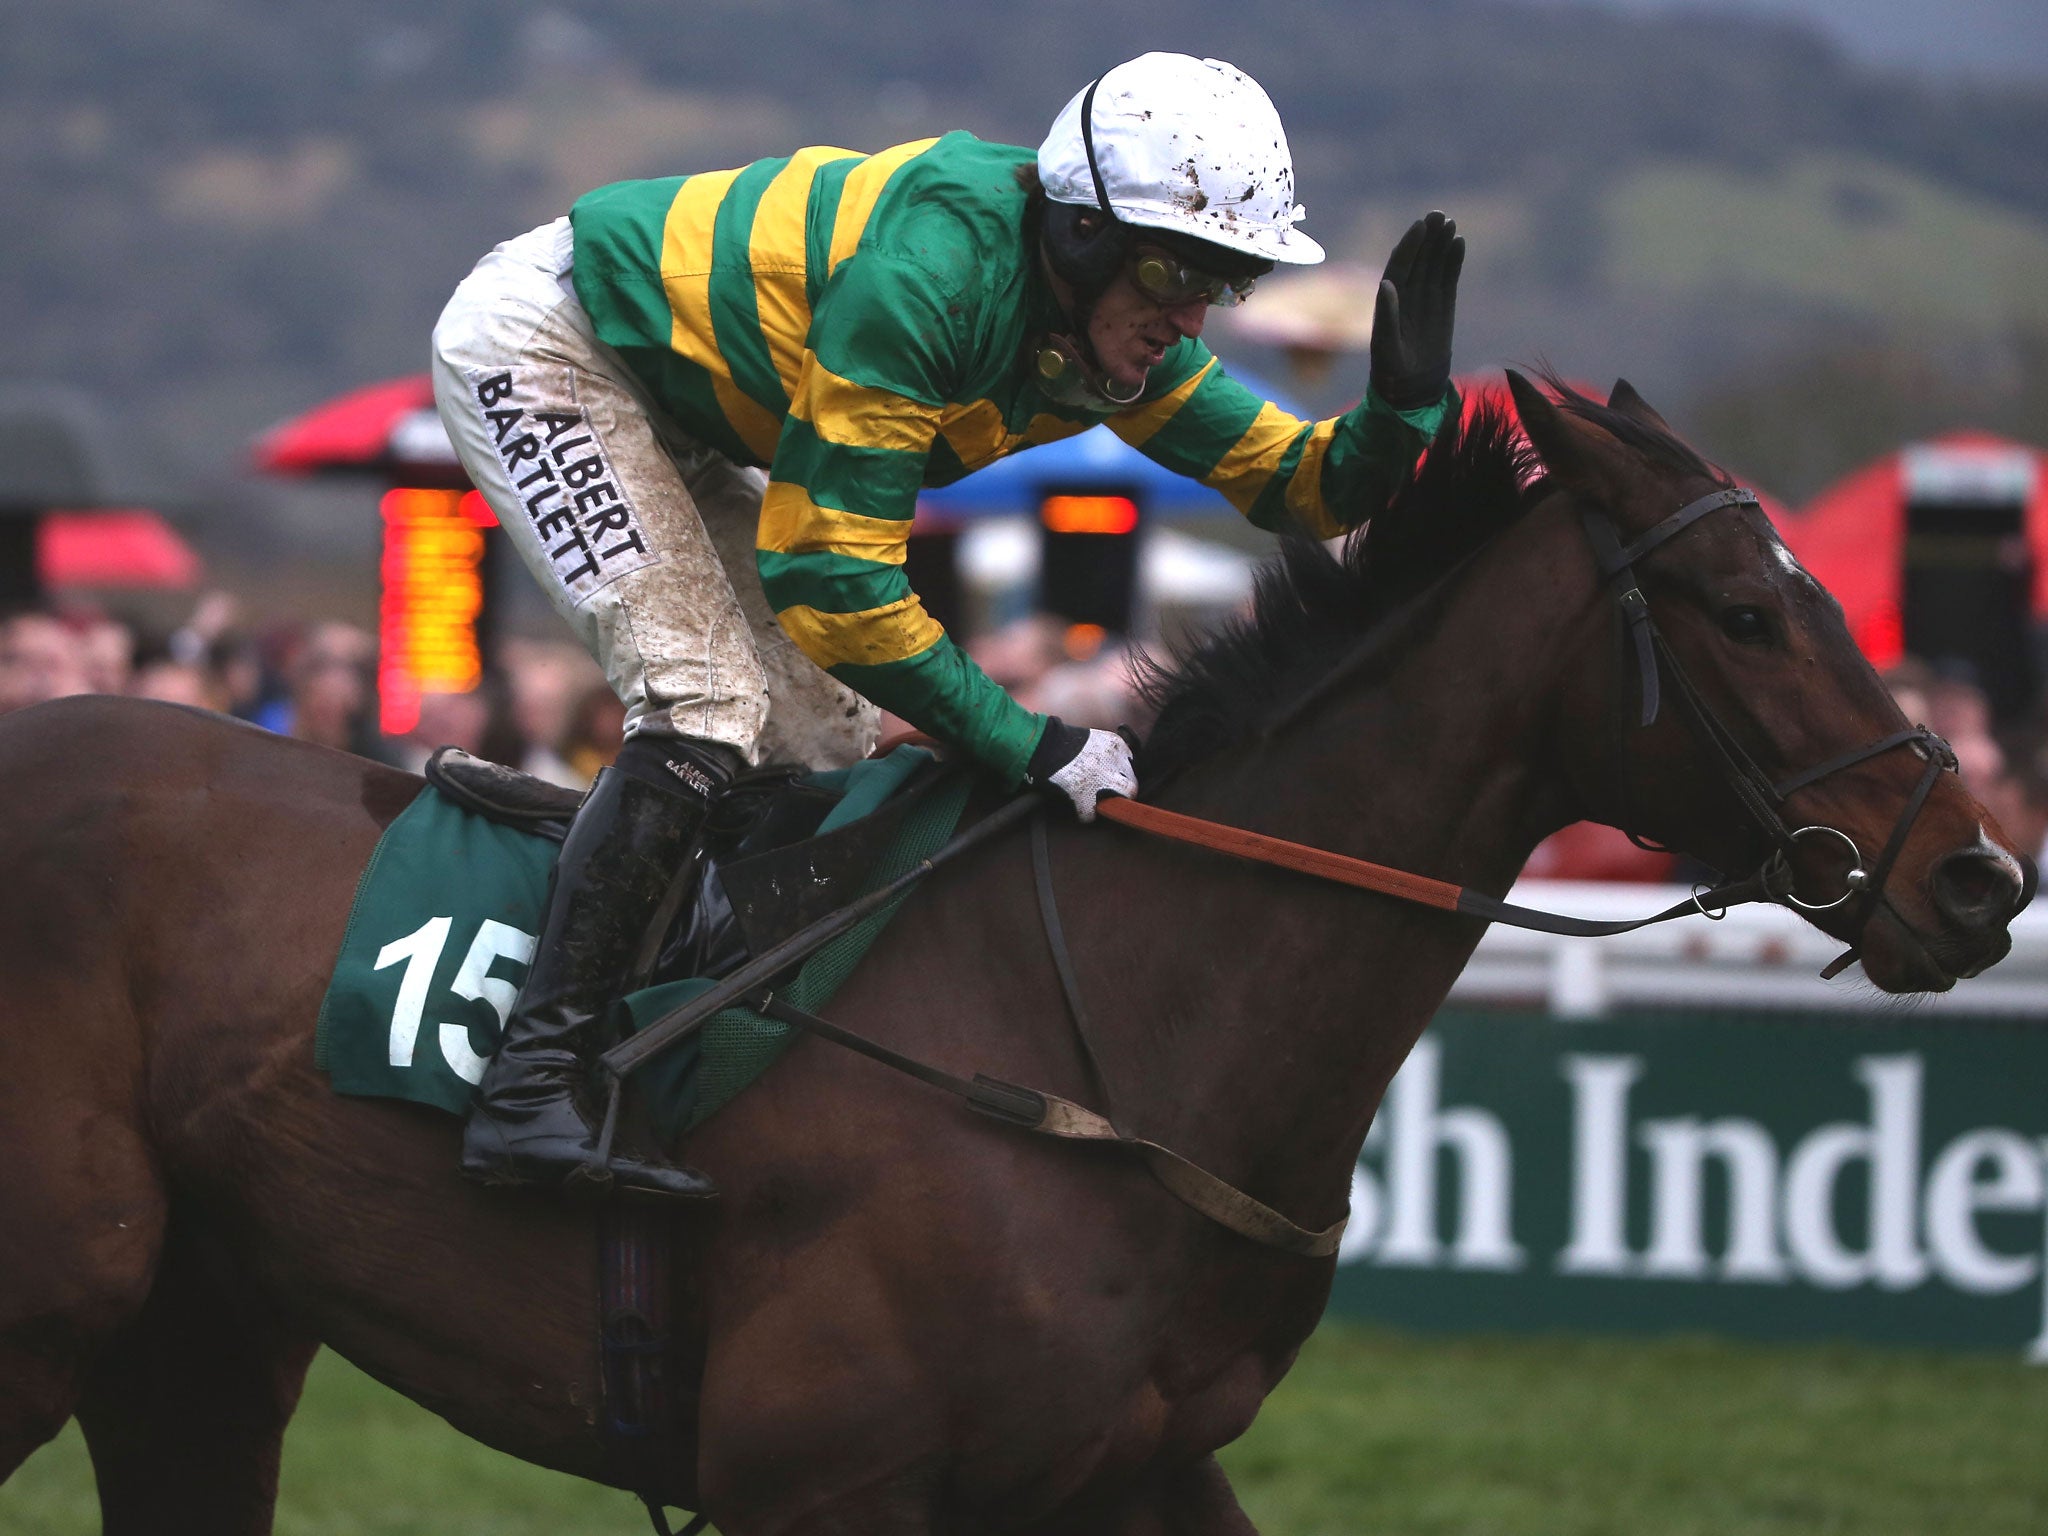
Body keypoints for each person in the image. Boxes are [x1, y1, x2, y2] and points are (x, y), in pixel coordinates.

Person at [431, 51, 1466, 1199]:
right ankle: (532, 1082)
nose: (1189, 315)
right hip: (552, 347)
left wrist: (1402, 406)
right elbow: (832, 579)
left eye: (1220, 278)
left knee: (823, 734)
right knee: (708, 701)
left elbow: (1300, 488)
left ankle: (672, 1036)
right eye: (1177, 269)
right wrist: (1034, 740)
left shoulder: (1117, 331)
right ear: (1077, 236)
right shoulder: (932, 275)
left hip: (680, 408)